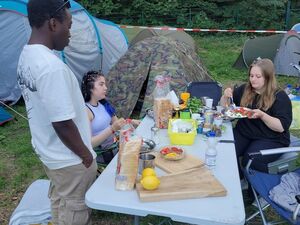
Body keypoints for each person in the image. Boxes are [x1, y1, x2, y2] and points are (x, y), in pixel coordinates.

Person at [17, 1, 97, 224]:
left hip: (49, 151)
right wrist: (86, 156)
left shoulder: (27, 55)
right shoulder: (51, 68)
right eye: (69, 25)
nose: (70, 33)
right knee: (75, 206)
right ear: (53, 24)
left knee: (60, 197)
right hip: (69, 159)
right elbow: (62, 122)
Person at [220, 58, 292, 174]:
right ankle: (238, 178)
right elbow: (227, 108)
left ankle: (267, 179)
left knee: (250, 159)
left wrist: (262, 115)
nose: (253, 79)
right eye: (251, 75)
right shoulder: (245, 89)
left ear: (268, 77)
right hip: (245, 132)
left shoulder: (279, 97)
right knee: (225, 150)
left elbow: (281, 127)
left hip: (271, 138)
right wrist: (225, 97)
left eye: (258, 76)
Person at [81, 71, 140, 165]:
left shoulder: (103, 104)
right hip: (102, 154)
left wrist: (131, 121)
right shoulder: (86, 110)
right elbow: (90, 143)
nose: (105, 88)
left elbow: (117, 123)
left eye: (105, 84)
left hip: (115, 146)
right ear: (90, 88)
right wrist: (112, 129)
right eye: (101, 84)